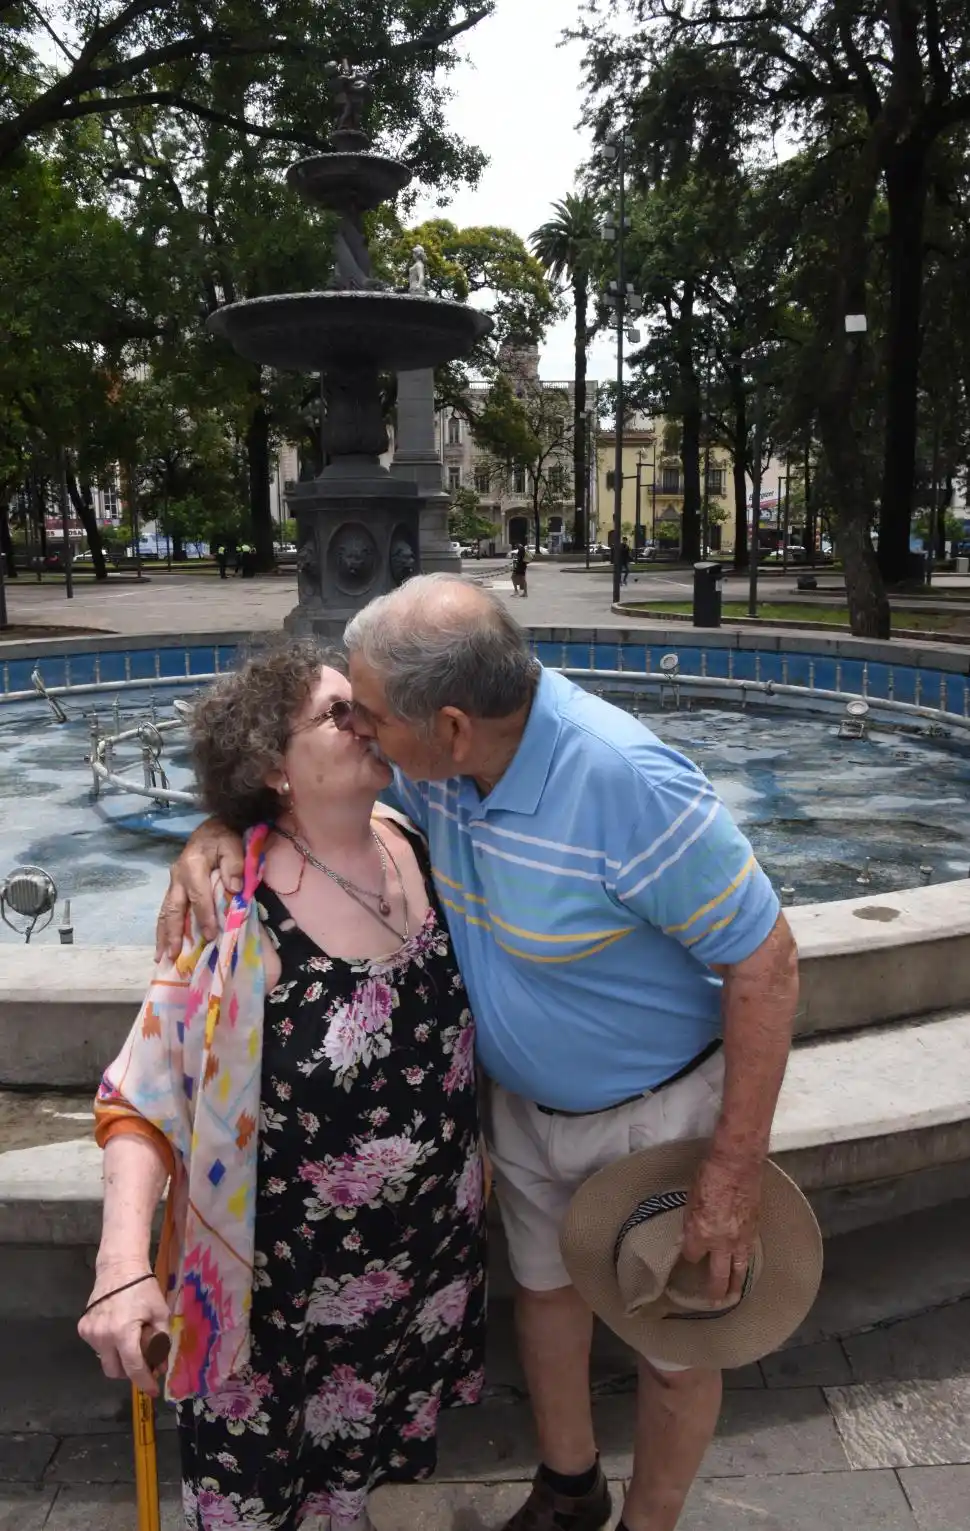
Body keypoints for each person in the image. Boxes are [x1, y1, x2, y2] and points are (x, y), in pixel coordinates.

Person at [157, 578, 799, 1531]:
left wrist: (732, 1172)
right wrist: (222, 826)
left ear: (450, 726)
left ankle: (649, 1523)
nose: (365, 734)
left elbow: (768, 959)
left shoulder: (625, 782)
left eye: (371, 716)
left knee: (675, 1339)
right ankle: (569, 1488)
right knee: (545, 1296)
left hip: (651, 1115)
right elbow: (301, 791)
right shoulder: (440, 769)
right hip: (524, 1115)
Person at [81, 640, 486, 1531]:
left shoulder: (419, 837)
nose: (365, 722)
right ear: (272, 766)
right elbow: (140, 1096)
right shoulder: (232, 915)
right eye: (338, 713)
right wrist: (120, 1266)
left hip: (414, 1281)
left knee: (365, 1486)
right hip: (275, 1311)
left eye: (365, 705)